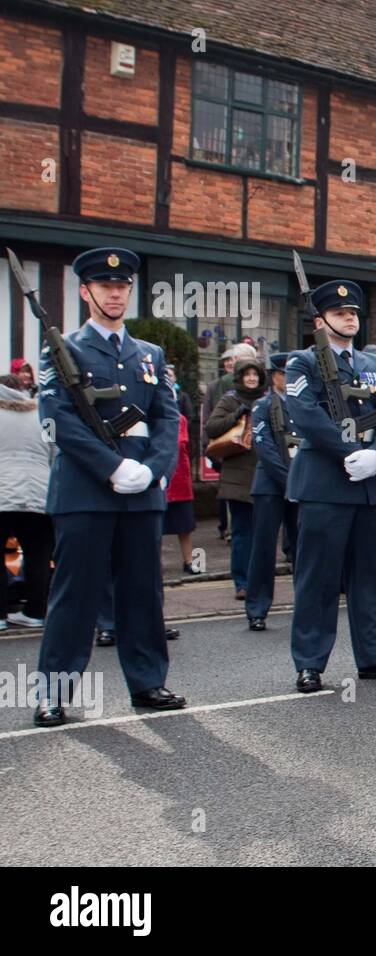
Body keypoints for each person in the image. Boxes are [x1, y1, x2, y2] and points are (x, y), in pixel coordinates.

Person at [33, 247, 183, 726]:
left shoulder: (150, 355)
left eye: (122, 287)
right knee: (75, 595)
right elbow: (58, 420)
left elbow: (166, 416)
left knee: (143, 592)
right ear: (86, 292)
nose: (115, 293)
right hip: (86, 493)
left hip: (142, 494)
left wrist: (156, 469)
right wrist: (111, 468)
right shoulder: (62, 350)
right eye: (105, 286)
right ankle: (53, 694)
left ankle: (147, 683)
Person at [282, 279, 376, 693]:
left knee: (372, 577)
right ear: (320, 321)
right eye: (340, 313)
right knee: (318, 578)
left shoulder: (374, 365)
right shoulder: (302, 363)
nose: (350, 318)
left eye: (354, 313)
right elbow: (305, 415)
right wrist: (348, 451)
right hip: (325, 482)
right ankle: (310, 663)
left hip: (369, 484)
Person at [244, 352, 300, 630]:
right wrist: (288, 481)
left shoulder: (303, 405)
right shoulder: (263, 406)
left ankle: (305, 603)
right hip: (271, 485)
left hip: (300, 484)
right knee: (263, 549)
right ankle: (257, 608)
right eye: (284, 375)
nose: (288, 380)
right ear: (274, 376)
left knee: (303, 548)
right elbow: (264, 448)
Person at [205, 358, 267, 599]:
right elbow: (212, 427)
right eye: (247, 374)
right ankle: (242, 582)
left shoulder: (266, 399)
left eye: (255, 374)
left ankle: (259, 579)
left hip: (264, 473)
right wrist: (237, 415)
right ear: (239, 377)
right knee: (242, 532)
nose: (251, 378)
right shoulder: (230, 400)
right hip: (238, 475)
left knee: (262, 533)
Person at [0, 373, 53, 629]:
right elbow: (56, 453)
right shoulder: (41, 416)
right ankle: (35, 612)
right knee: (38, 556)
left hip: (3, 494)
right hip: (40, 494)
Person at [162, 375, 198, 576]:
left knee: (187, 527)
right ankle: (155, 564)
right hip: (160, 482)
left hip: (181, 481)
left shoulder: (181, 420)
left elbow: (185, 445)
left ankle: (192, 562)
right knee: (156, 528)